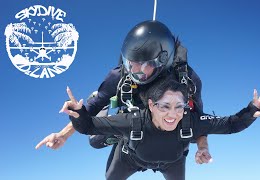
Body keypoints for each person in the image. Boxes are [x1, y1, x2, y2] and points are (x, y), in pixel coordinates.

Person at [35, 20, 212, 169]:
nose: (135, 71)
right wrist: (63, 135)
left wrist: (203, 147)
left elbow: (199, 120)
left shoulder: (186, 80)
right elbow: (88, 111)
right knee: (95, 142)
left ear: (162, 61)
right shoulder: (120, 75)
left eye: (143, 65)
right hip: (132, 117)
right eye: (130, 63)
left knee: (177, 144)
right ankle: (111, 109)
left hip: (164, 125)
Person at [61, 76, 260, 180]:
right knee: (95, 143)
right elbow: (88, 126)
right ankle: (109, 115)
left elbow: (232, 124)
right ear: (151, 106)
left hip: (172, 162)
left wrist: (252, 109)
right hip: (129, 158)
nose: (173, 114)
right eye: (165, 106)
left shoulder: (189, 120)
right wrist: (79, 112)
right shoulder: (132, 120)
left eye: (179, 106)